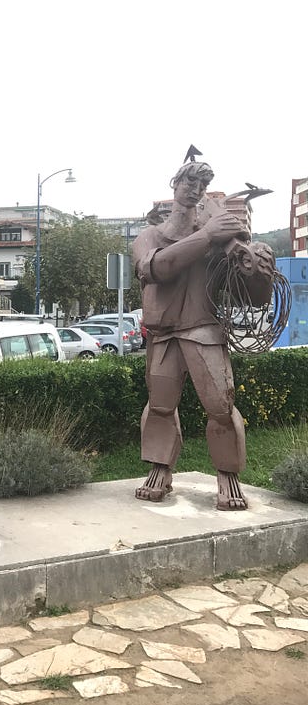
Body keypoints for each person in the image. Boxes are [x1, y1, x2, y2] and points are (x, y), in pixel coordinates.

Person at [132, 157, 275, 510]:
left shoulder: (218, 242)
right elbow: (156, 268)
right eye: (188, 182)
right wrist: (209, 235)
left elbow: (254, 297)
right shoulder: (151, 235)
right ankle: (160, 468)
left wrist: (256, 266)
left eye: (201, 184)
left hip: (205, 331)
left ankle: (228, 475)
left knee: (221, 406)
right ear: (175, 184)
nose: (194, 189)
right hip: (164, 334)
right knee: (161, 406)